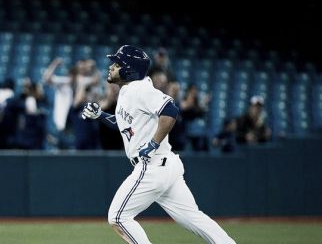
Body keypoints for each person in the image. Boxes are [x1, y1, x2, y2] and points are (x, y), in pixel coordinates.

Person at [81, 45, 235, 244]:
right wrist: (100, 115)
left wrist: (153, 143)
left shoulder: (139, 89)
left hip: (151, 166)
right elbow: (125, 126)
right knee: (194, 218)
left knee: (118, 217)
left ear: (129, 69)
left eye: (117, 64)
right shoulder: (129, 90)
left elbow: (170, 110)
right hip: (167, 166)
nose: (111, 67)